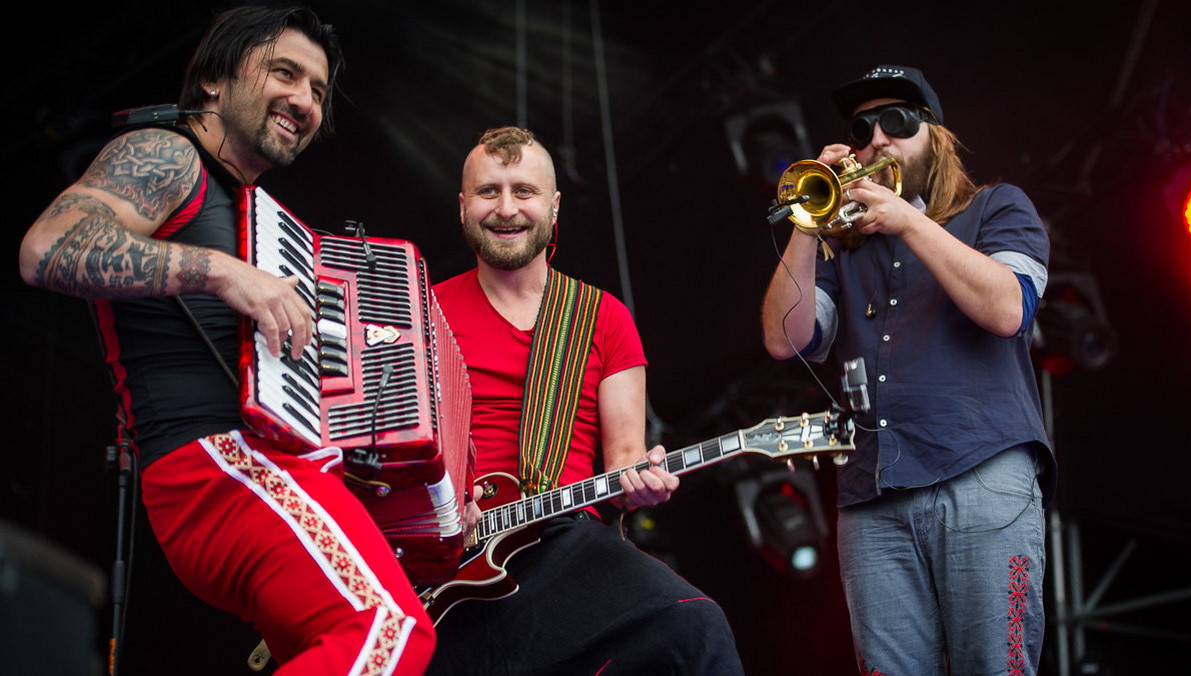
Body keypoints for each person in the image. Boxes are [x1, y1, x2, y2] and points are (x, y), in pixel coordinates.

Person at [18, 7, 435, 675]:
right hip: (212, 463)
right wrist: (221, 272)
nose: (304, 100)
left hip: (269, 463)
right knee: (387, 629)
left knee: (385, 638)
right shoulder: (164, 153)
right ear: (214, 81)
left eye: (319, 91)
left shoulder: (255, 217)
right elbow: (46, 249)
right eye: (284, 73)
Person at [760, 65, 1055, 675]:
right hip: (872, 497)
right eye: (864, 128)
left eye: (896, 122)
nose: (877, 140)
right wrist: (807, 222)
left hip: (982, 474)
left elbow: (1007, 309)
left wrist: (909, 221)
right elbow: (783, 339)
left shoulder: (998, 208)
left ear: (935, 135)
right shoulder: (842, 254)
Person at [427, 126, 744, 675]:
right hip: (446, 556)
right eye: (488, 191)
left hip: (562, 542)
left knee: (693, 627)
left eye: (524, 191)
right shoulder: (421, 311)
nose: (506, 208)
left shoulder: (603, 317)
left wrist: (639, 485)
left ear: (553, 207)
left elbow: (625, 459)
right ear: (462, 207)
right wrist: (443, 508)